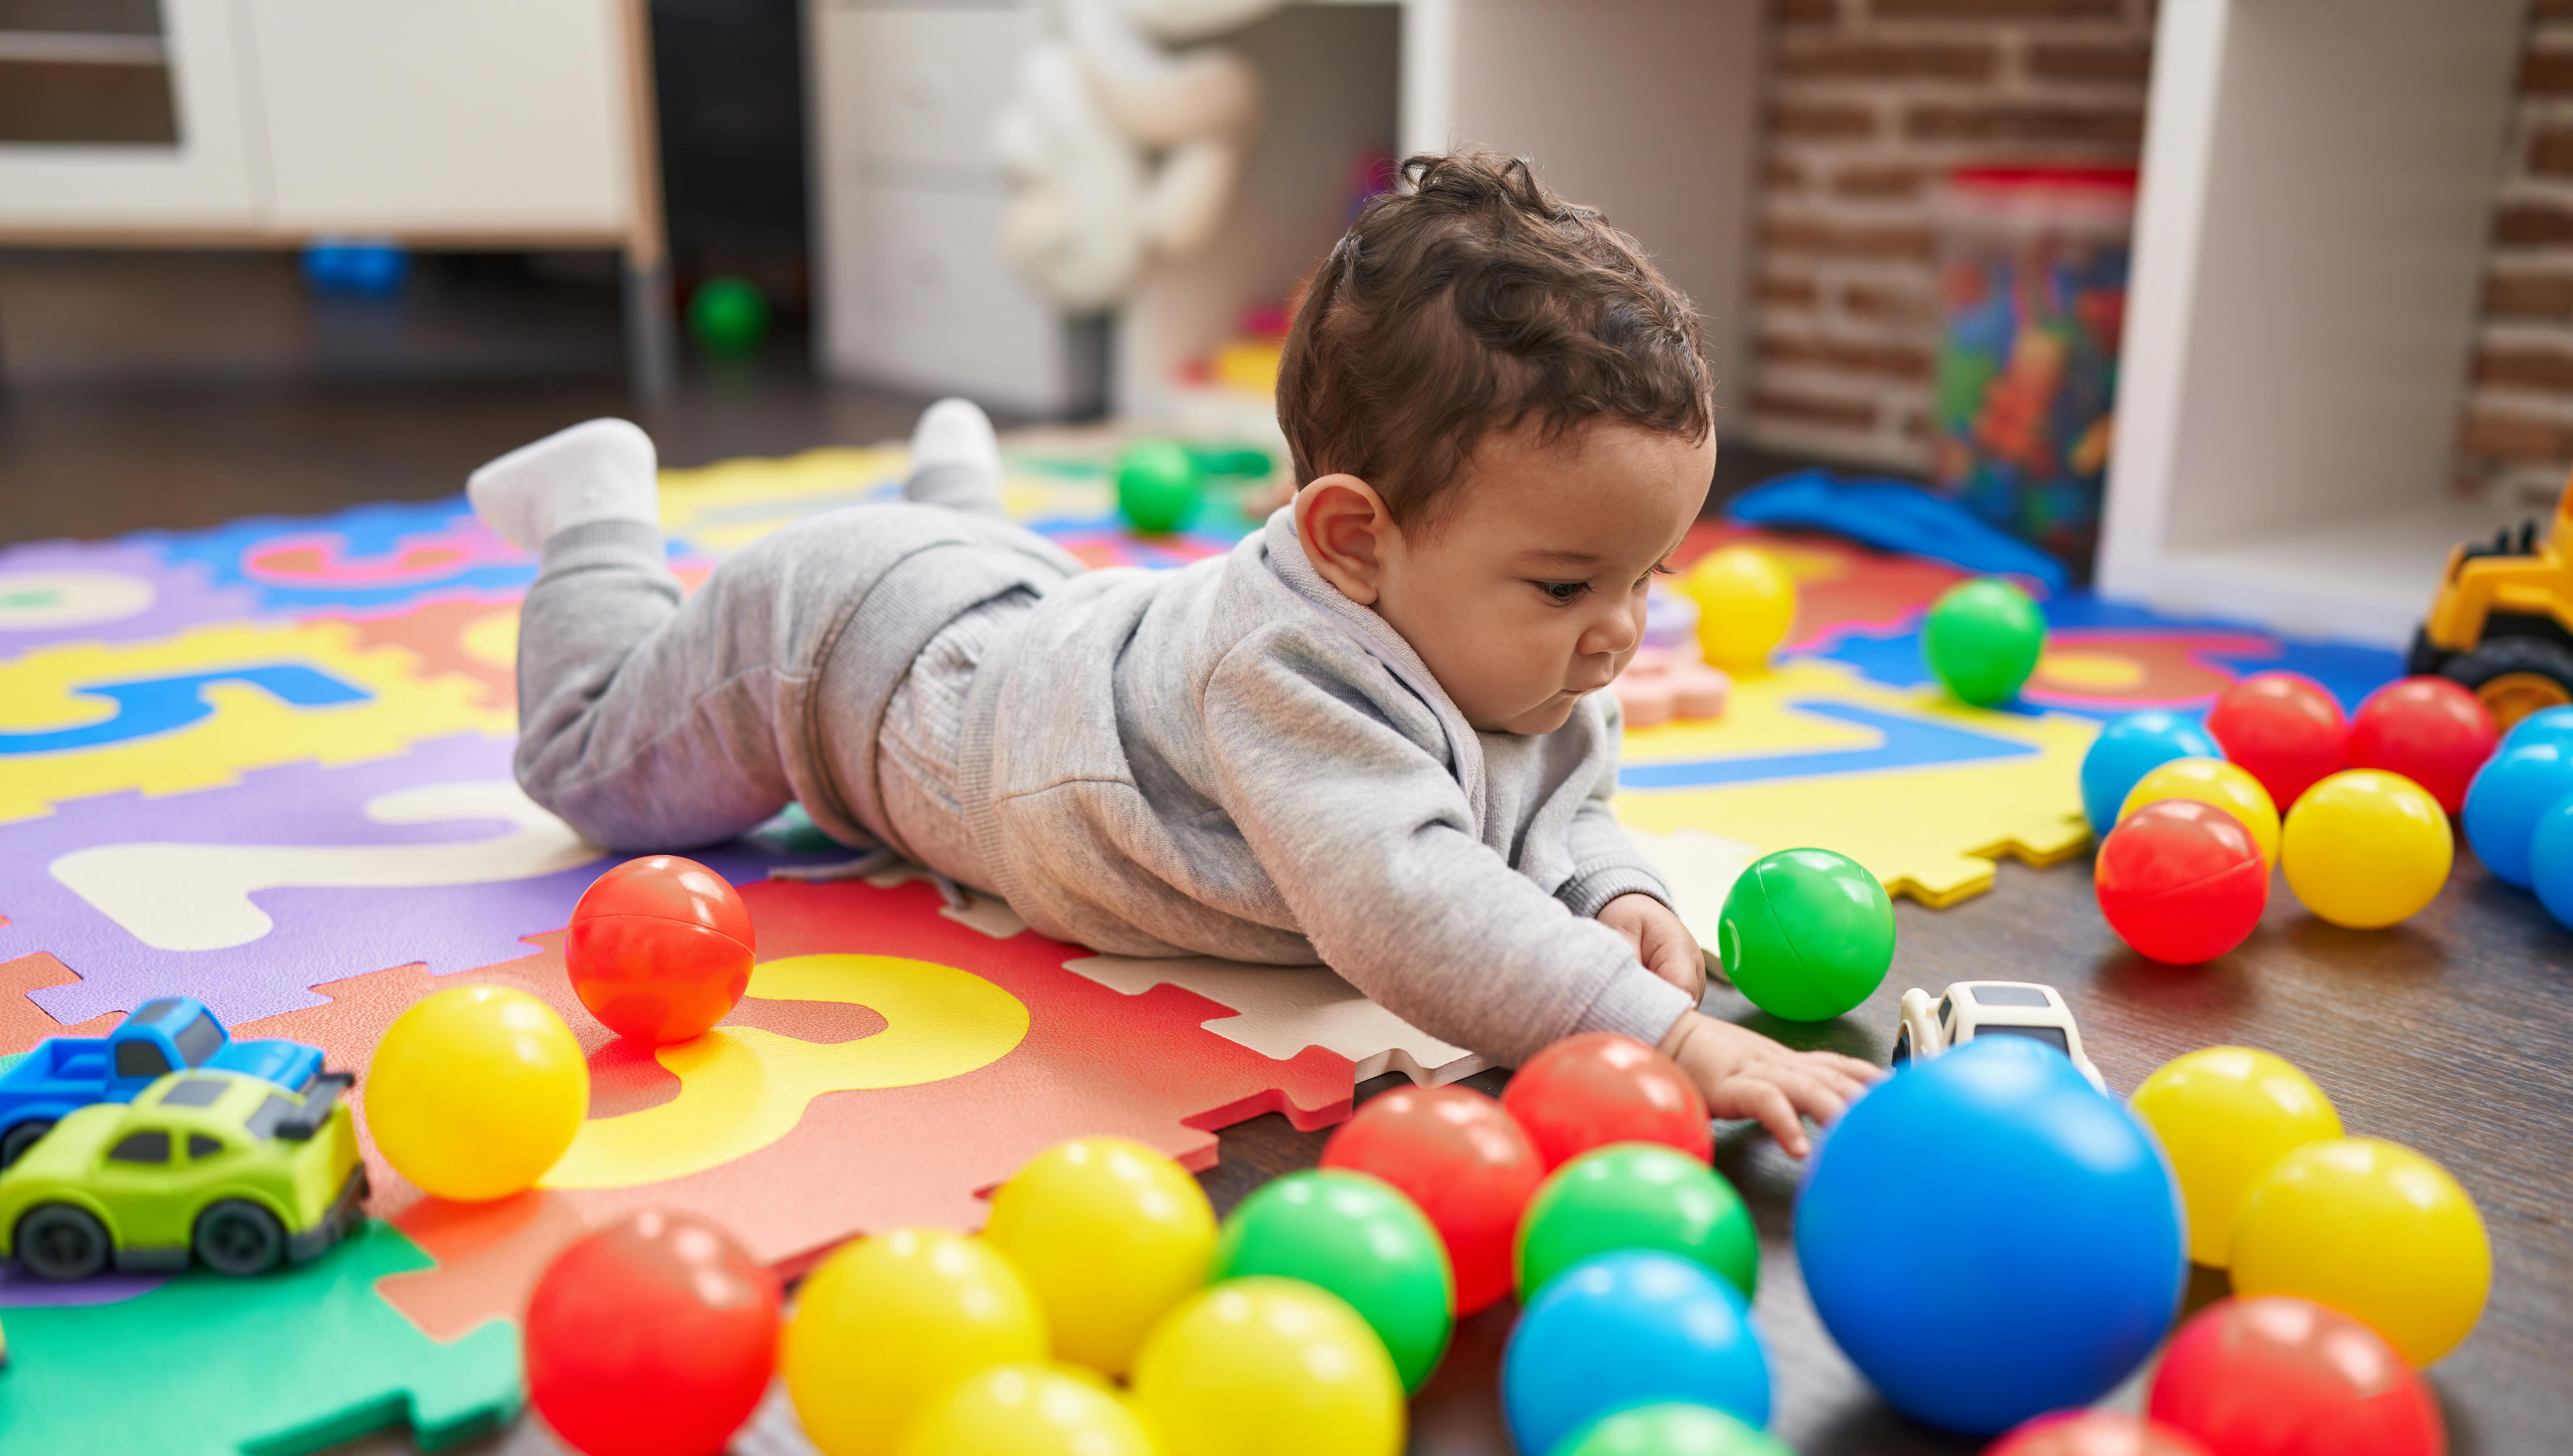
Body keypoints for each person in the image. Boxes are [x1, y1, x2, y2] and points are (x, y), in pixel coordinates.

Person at [471, 151, 1878, 1153]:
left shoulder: (1532, 632)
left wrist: (1608, 878)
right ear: (1348, 542)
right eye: (1574, 580)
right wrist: (1663, 1030)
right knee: (591, 769)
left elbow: (1555, 795)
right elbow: (1409, 896)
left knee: (1012, 610)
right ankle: (598, 508)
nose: (1623, 628)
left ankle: (954, 500)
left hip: (1019, 636)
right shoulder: (1285, 672)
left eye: (1651, 572)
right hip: (843, 656)